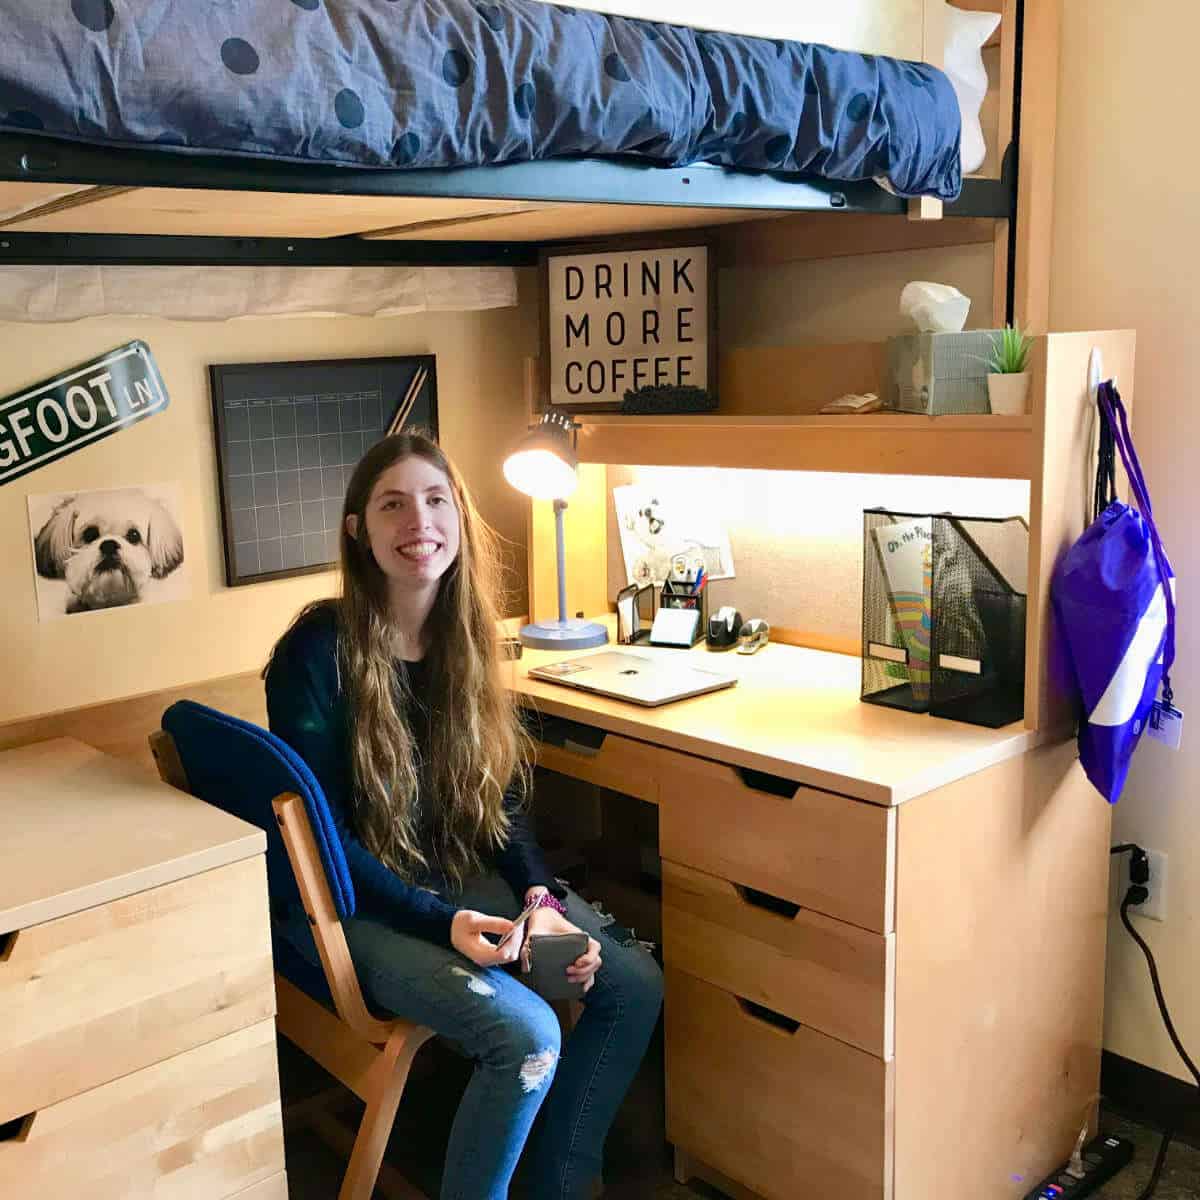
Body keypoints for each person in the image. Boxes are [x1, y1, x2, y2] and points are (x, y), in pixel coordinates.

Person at [264, 431, 663, 1200]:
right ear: (359, 529)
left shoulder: (468, 639)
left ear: (459, 518)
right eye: (393, 504)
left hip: (452, 879)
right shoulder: (316, 652)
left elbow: (498, 802)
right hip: (355, 905)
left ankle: (558, 1183)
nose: (419, 520)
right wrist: (439, 921)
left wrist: (540, 903)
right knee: (527, 1036)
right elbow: (324, 843)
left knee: (632, 984)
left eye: (436, 499)